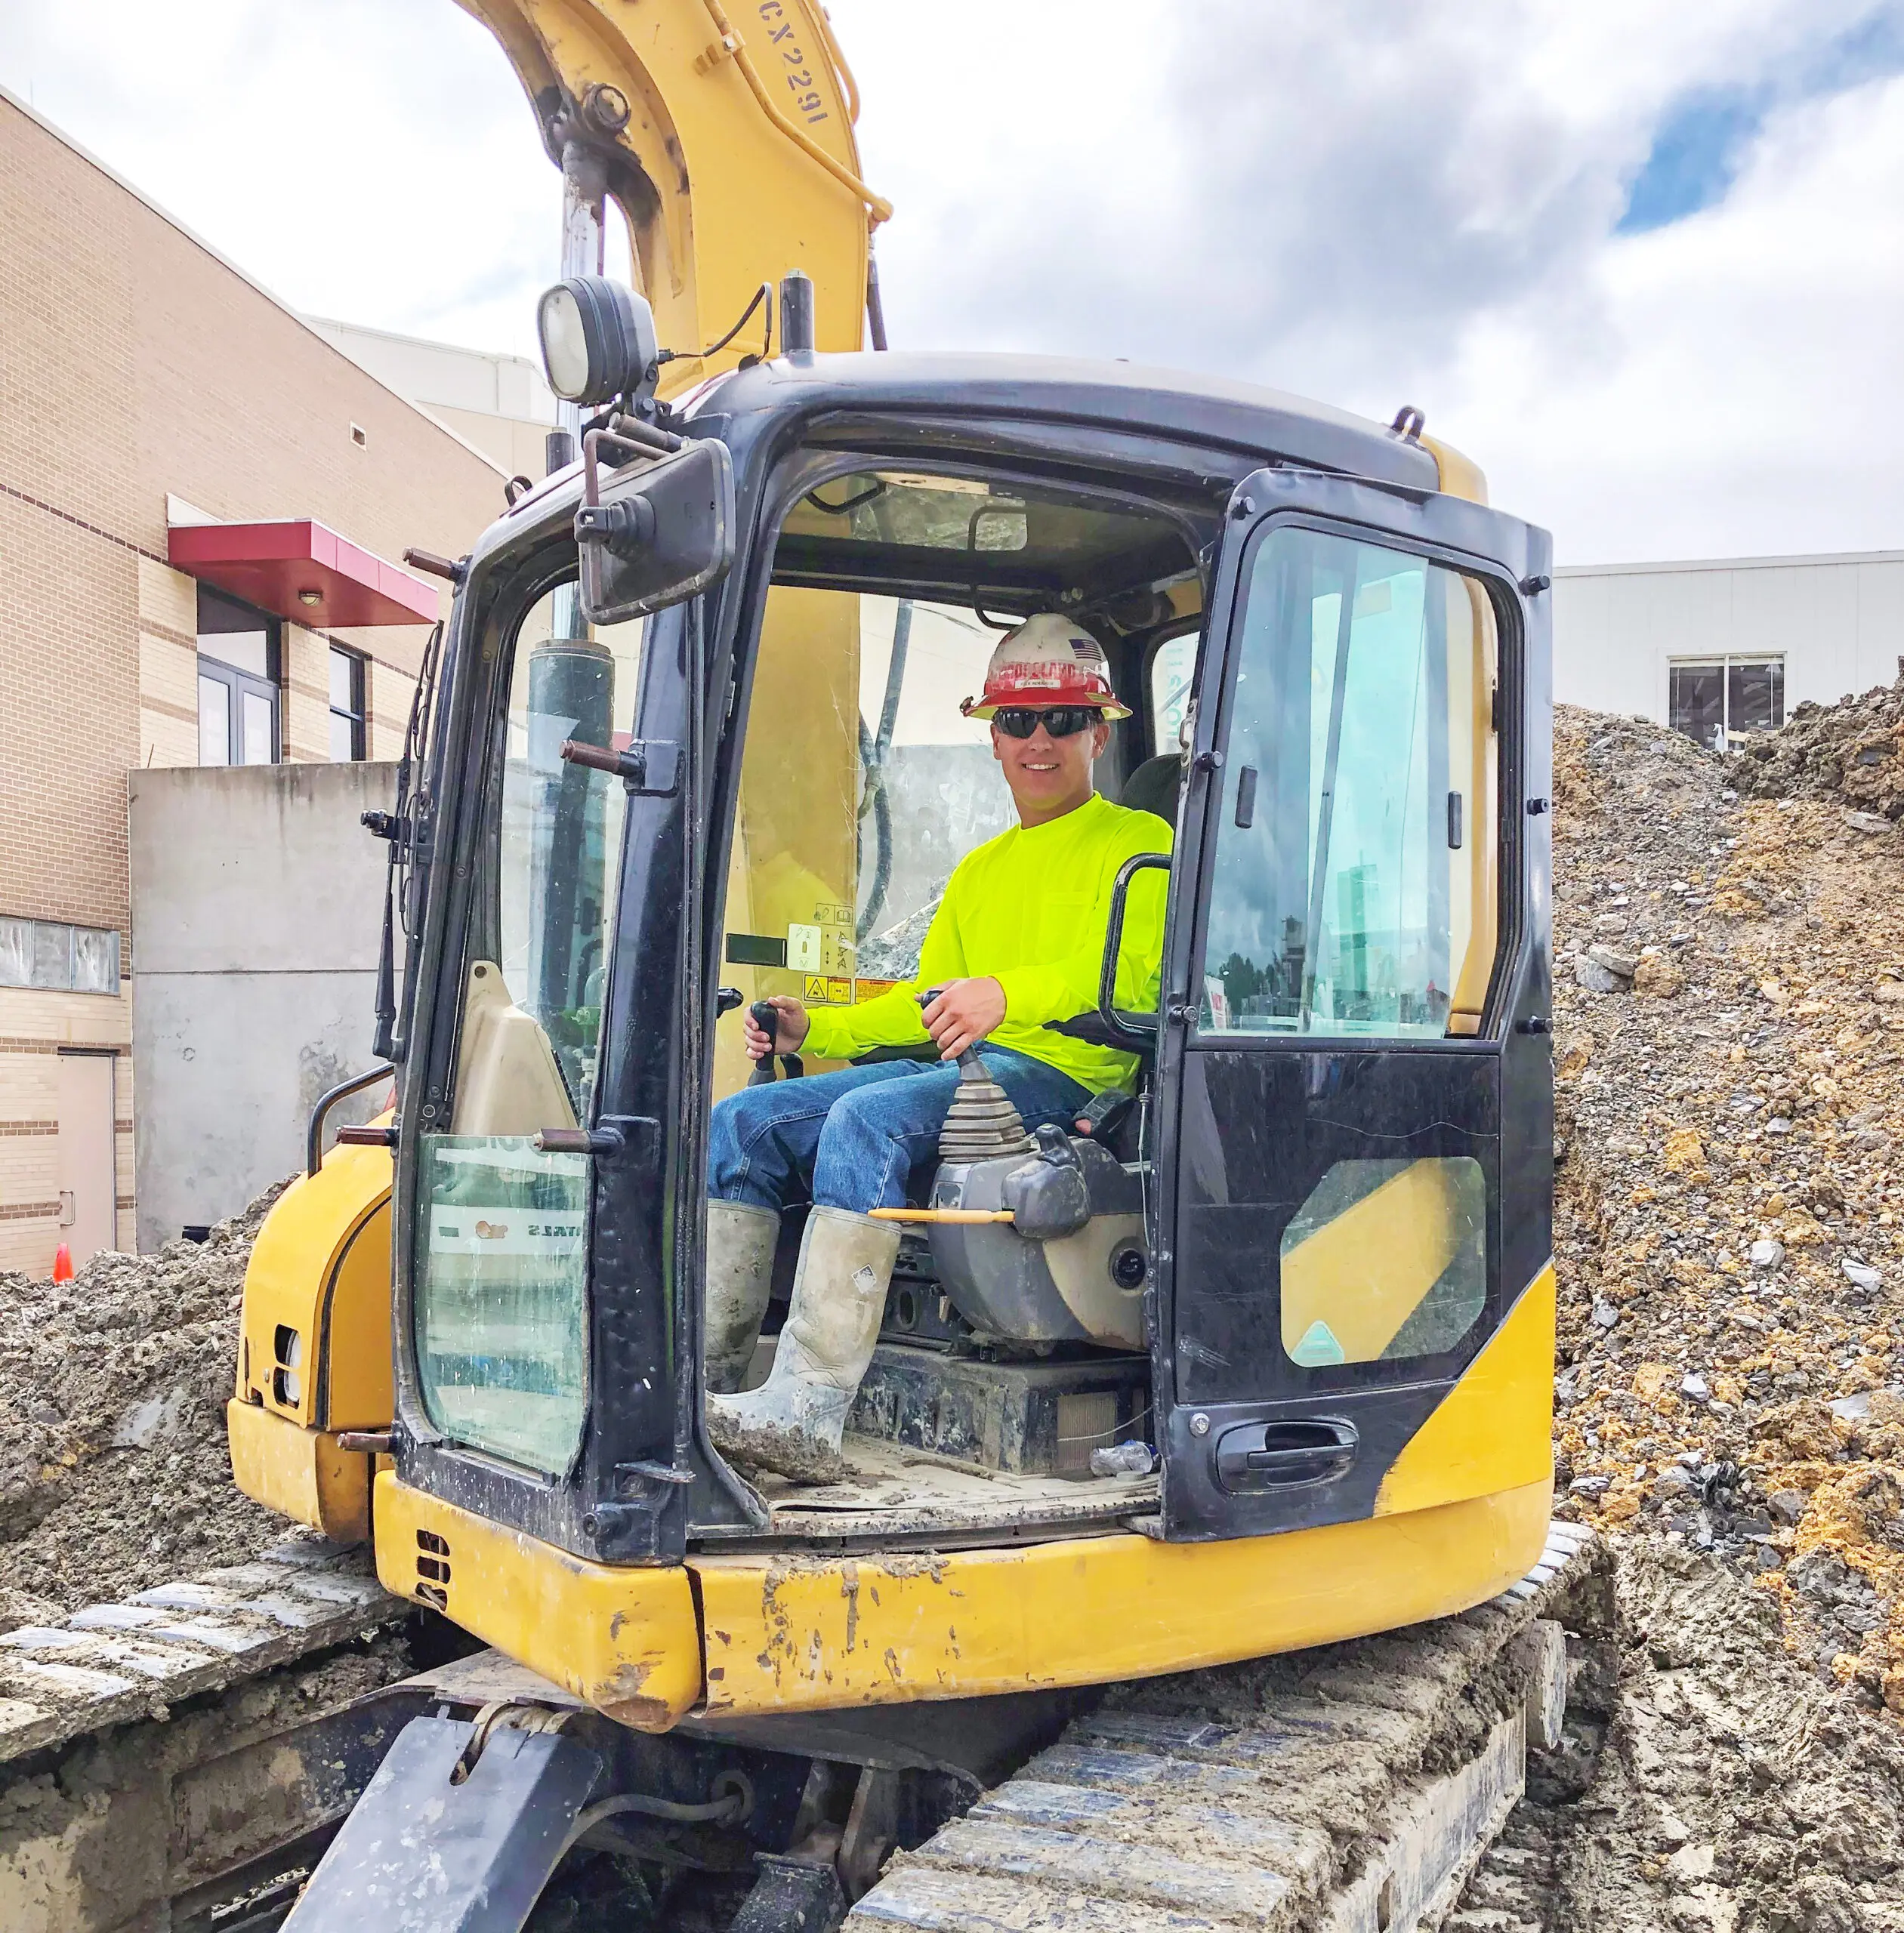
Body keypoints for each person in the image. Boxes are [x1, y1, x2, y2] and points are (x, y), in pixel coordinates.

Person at [704, 612, 1173, 1476]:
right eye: (1017, 721)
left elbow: (1138, 984)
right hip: (971, 1070)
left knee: (866, 1121)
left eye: (1064, 720)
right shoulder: (980, 871)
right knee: (742, 1124)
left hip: (1066, 1079)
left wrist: (1006, 995)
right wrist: (820, 1027)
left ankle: (808, 1406)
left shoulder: (1140, 846)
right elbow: (924, 1011)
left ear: (1098, 733)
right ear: (992, 737)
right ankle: (707, 1390)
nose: (1040, 740)